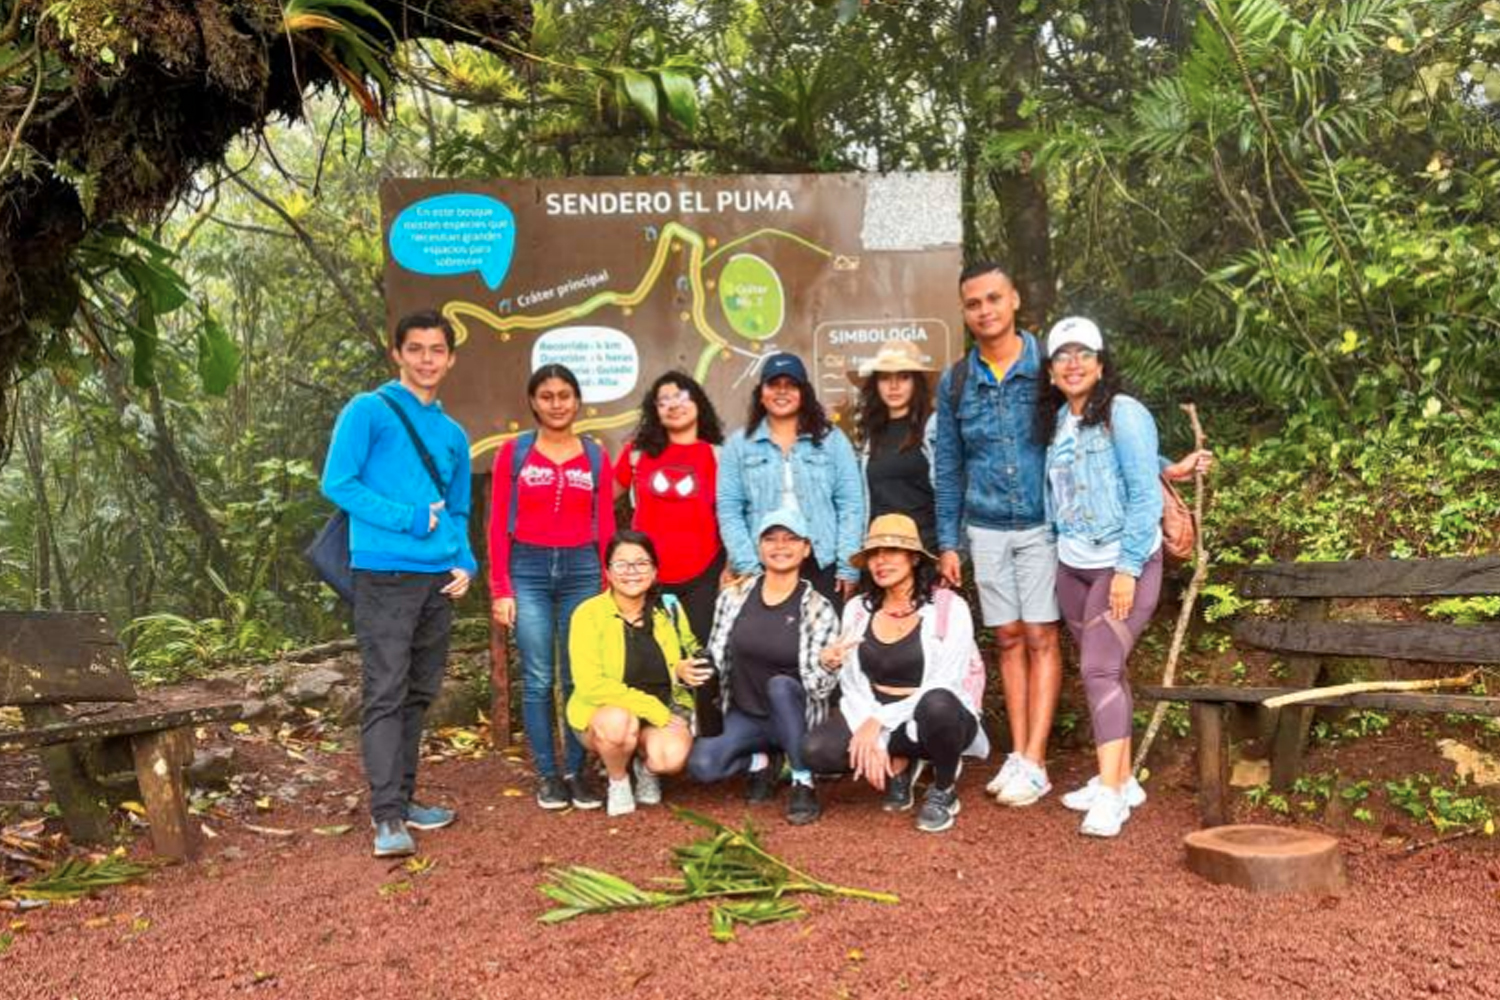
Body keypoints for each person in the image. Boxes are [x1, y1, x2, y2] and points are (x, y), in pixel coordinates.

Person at [321, 309, 477, 858]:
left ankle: (405, 799)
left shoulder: (453, 433)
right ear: (397, 353)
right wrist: (406, 518)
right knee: (385, 692)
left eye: (437, 350)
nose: (427, 359)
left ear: (451, 358)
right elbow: (337, 482)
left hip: (438, 580)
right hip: (384, 572)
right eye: (416, 349)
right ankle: (386, 816)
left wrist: (467, 563)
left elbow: (457, 507)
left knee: (419, 693)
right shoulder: (369, 410)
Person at [934, 262, 1064, 808]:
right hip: (984, 528)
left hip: (1043, 524)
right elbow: (948, 464)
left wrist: (1161, 464)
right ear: (965, 313)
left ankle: (1036, 759)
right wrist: (948, 541)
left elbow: (1093, 424)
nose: (985, 310)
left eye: (993, 298)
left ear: (1014, 301)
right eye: (973, 304)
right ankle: (1017, 751)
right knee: (1008, 638)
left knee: (1042, 637)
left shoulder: (1048, 368)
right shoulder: (957, 380)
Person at [803, 514, 990, 834]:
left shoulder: (948, 608)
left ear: (914, 558)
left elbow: (945, 682)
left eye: (892, 551)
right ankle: (901, 759)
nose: (881, 561)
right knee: (816, 751)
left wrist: (880, 727)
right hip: (873, 709)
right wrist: (829, 666)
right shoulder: (857, 609)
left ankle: (943, 789)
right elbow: (852, 686)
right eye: (874, 553)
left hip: (934, 714)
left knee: (938, 705)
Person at [489, 364, 613, 812]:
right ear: (533, 402)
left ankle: (576, 771)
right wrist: (501, 589)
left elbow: (607, 526)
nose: (556, 403)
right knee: (539, 676)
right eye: (547, 396)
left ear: (577, 401)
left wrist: (606, 582)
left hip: (582, 567)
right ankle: (547, 773)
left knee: (580, 676)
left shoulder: (595, 455)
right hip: (528, 569)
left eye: (564, 395)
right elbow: (497, 525)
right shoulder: (514, 453)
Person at [685, 508, 841, 825]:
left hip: (796, 716)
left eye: (790, 539)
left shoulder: (818, 608)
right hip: (747, 714)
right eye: (771, 538)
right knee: (703, 766)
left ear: (806, 548)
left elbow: (820, 689)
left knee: (780, 685)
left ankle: (802, 780)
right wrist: (688, 671)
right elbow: (716, 654)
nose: (780, 546)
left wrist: (826, 664)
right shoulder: (734, 597)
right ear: (759, 546)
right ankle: (762, 761)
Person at [717, 352, 865, 607]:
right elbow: (729, 509)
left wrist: (848, 566)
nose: (782, 392)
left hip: (823, 562)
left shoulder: (832, 440)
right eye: (774, 384)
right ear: (761, 393)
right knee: (769, 645)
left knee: (824, 643)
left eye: (791, 385)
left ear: (804, 393)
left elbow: (851, 505)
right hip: (763, 563)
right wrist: (748, 566)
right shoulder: (739, 445)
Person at [566, 531, 698, 817]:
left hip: (664, 704)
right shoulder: (588, 614)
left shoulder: (670, 609)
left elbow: (687, 649)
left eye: (641, 563)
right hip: (605, 711)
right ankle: (618, 779)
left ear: (654, 570)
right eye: (622, 564)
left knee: (670, 758)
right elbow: (590, 684)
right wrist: (652, 709)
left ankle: (645, 766)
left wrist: (684, 668)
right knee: (617, 723)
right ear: (608, 572)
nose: (632, 572)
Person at [614, 371, 726, 644]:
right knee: (652, 659)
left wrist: (731, 567)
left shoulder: (718, 455)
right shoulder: (636, 454)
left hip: (704, 575)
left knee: (702, 657)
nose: (673, 405)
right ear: (655, 411)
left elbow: (733, 515)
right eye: (663, 401)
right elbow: (599, 501)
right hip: (645, 577)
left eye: (680, 397)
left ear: (698, 402)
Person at [848, 339, 939, 553]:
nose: (894, 386)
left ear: (916, 383)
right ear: (876, 385)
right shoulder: (869, 434)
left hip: (926, 549)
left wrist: (949, 548)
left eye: (904, 377)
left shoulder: (934, 427)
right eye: (885, 378)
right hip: (881, 550)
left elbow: (951, 491)